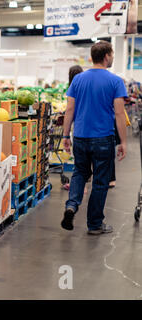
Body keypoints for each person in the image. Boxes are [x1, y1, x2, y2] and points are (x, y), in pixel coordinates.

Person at [61, 40, 128, 235]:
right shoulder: (115, 81)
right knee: (100, 181)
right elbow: (118, 114)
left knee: (80, 173)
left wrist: (66, 135)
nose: (113, 57)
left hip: (80, 136)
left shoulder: (78, 80)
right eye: (112, 54)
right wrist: (123, 142)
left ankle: (72, 205)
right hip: (103, 138)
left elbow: (69, 110)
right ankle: (94, 224)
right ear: (107, 56)